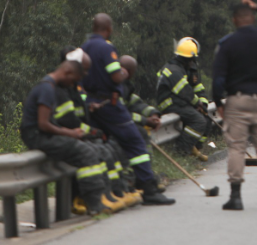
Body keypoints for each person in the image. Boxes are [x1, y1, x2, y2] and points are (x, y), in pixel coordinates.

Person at [82, 13, 174, 205]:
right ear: (108, 29)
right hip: (109, 104)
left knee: (102, 144)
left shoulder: (84, 48)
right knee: (136, 143)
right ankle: (149, 189)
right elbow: (116, 76)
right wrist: (122, 73)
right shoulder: (106, 47)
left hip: (90, 104)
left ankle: (113, 189)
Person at [212, 0, 257, 211]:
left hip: (237, 100)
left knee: (236, 147)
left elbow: (218, 79)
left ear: (234, 20)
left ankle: (235, 197)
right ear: (252, 18)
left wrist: (219, 102)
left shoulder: (227, 44)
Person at [20, 58, 112, 215]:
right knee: (86, 152)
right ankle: (94, 204)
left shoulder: (50, 87)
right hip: (37, 136)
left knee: (92, 147)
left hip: (43, 135)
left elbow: (51, 122)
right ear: (67, 72)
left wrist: (73, 133)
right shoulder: (47, 89)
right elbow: (43, 124)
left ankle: (100, 197)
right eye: (73, 81)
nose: (71, 85)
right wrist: (69, 133)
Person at [54, 48, 141, 213]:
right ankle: (82, 198)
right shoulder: (60, 88)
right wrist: (91, 131)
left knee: (109, 148)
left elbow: (78, 112)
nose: (86, 74)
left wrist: (89, 108)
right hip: (67, 136)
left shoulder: (74, 87)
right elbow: (69, 121)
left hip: (77, 132)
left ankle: (114, 192)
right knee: (92, 154)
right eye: (84, 70)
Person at [156, 39, 210, 162]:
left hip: (180, 102)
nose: (192, 62)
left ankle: (196, 147)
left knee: (205, 118)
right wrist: (197, 103)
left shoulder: (184, 69)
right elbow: (185, 92)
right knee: (198, 121)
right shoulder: (174, 70)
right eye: (190, 60)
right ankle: (181, 153)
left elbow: (198, 89)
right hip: (170, 104)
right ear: (185, 59)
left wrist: (203, 104)